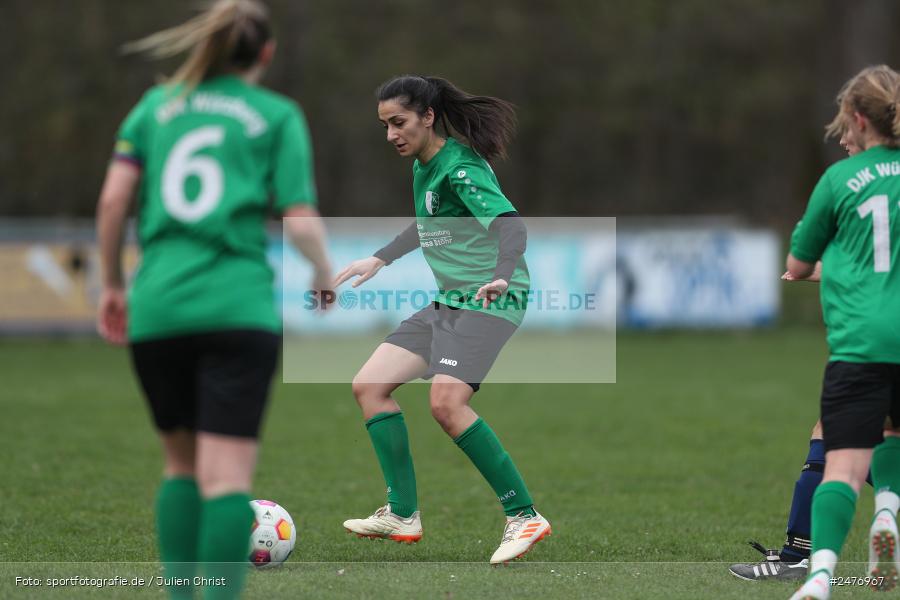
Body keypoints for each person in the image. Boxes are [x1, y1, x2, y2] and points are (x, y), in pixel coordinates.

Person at [95, 1, 331, 598]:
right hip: (238, 308)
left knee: (179, 466)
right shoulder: (277, 115)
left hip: (159, 306)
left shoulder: (156, 106)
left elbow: (112, 203)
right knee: (227, 479)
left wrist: (114, 285)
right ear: (266, 55)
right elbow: (299, 219)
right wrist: (323, 270)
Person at [333, 75, 551, 565]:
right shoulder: (424, 165)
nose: (391, 133)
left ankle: (524, 516)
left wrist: (499, 276)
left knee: (446, 402)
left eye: (399, 122)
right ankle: (402, 513)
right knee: (369, 385)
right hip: (452, 300)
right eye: (385, 124)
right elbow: (431, 222)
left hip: (491, 298)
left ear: (428, 117)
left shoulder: (460, 167)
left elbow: (511, 224)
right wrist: (382, 258)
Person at [727, 132, 866, 584]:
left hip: (876, 342)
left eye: (849, 125)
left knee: (838, 442)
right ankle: (797, 553)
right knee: (856, 444)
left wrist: (812, 266)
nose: (843, 137)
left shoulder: (856, 182)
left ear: (869, 122)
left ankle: (797, 557)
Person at [786, 65, 900, 600]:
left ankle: (819, 575)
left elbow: (798, 264)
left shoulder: (840, 180)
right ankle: (888, 515)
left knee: (843, 461)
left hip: (860, 343)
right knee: (894, 438)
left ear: (858, 120)